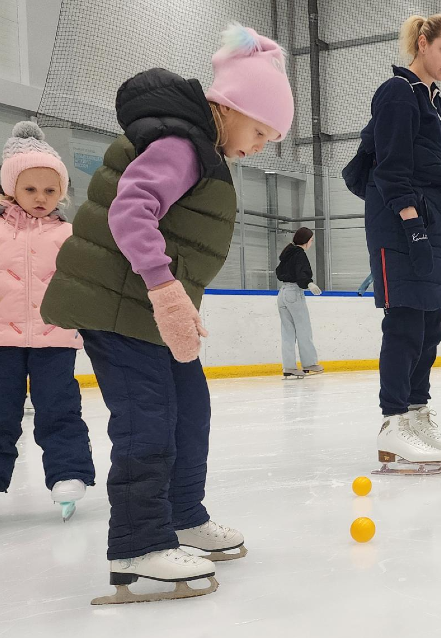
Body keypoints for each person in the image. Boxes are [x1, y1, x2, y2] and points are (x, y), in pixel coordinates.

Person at [40, 23, 294, 603]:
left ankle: (181, 516)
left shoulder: (195, 144)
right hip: (119, 304)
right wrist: (164, 287)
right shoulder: (181, 145)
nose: (259, 146)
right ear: (227, 108)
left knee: (188, 408)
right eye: (259, 130)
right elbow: (131, 212)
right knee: (148, 417)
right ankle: (137, 546)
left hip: (142, 306)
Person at [349, 13, 441, 472]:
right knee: (404, 325)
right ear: (423, 43)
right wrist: (413, 225)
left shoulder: (436, 103)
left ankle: (417, 414)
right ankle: (393, 424)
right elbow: (391, 167)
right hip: (401, 226)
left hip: (434, 225)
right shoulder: (397, 93)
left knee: (430, 327)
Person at [0, 122, 95, 521]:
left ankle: (68, 473)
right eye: (30, 189)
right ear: (11, 187)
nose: (41, 198)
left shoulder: (68, 234)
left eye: (51, 190)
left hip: (56, 338)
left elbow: (83, 283)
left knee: (59, 407)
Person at [275, 226, 324, 378]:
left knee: (287, 332)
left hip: (282, 293)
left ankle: (289, 367)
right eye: (311, 240)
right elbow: (301, 271)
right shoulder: (299, 254)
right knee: (304, 329)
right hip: (294, 293)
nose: (311, 243)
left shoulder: (287, 253)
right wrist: (308, 283)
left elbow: (279, 272)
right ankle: (309, 362)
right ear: (306, 241)